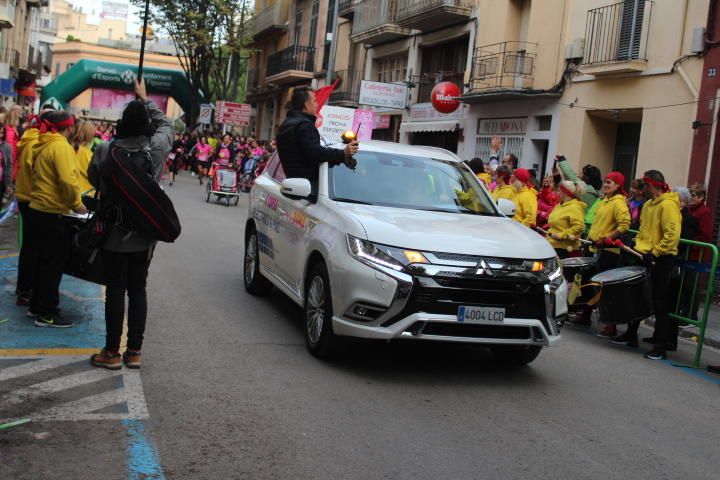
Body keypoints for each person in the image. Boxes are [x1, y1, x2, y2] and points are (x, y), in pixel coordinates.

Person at [88, 79, 173, 370]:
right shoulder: (156, 149)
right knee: (138, 289)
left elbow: (93, 180)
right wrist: (146, 99)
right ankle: (134, 351)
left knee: (115, 289)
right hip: (145, 236)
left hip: (113, 234)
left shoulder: (104, 150)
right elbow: (167, 126)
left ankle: (111, 352)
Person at [608, 170, 681, 360]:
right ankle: (631, 334)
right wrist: (637, 245)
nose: (643, 189)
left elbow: (671, 235)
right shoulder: (649, 204)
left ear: (652, 186)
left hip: (661, 258)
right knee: (637, 296)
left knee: (659, 302)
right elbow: (643, 229)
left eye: (645, 185)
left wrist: (655, 252)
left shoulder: (668, 205)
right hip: (644, 255)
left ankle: (660, 346)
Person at [27, 111, 86, 327]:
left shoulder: (42, 143)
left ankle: (36, 306)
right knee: (53, 264)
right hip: (53, 213)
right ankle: (48, 313)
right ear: (68, 128)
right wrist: (77, 204)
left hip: (37, 210)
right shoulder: (61, 146)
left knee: (42, 262)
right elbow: (68, 180)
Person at [276, 87, 358, 185]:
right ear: (306, 105)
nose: (317, 104)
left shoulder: (287, 123)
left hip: (296, 184)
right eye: (314, 101)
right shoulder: (304, 125)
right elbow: (315, 153)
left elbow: (307, 154)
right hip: (307, 187)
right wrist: (343, 153)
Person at [587, 171, 632, 337]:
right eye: (606, 182)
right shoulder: (605, 200)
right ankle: (587, 316)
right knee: (593, 286)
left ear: (618, 186)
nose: (606, 184)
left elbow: (625, 224)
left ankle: (611, 326)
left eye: (610, 182)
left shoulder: (619, 202)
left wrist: (607, 238)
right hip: (596, 247)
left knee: (606, 290)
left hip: (609, 251)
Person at [545, 180, 586, 258]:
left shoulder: (574, 207)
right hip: (553, 246)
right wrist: (549, 226)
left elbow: (579, 227)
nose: (556, 193)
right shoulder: (559, 205)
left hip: (566, 250)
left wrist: (561, 235)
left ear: (565, 193)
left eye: (559, 190)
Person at [555, 155, 601, 224]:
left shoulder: (585, 189)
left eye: (581, 173)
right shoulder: (594, 192)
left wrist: (562, 160)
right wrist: (557, 177)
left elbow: (570, 175)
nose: (578, 175)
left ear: (587, 177)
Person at [72, 121, 96, 196]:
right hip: (85, 195)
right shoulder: (87, 154)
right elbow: (94, 176)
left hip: (70, 192)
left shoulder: (67, 148)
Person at [4, 109, 20, 180]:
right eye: (17, 119)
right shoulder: (10, 131)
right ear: (14, 120)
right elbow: (10, 146)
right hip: (10, 160)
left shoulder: (9, 129)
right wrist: (12, 159)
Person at [0, 125, 13, 205]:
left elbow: (8, 166)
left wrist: (8, 184)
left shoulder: (6, 146)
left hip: (1, 182)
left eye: (1, 133)